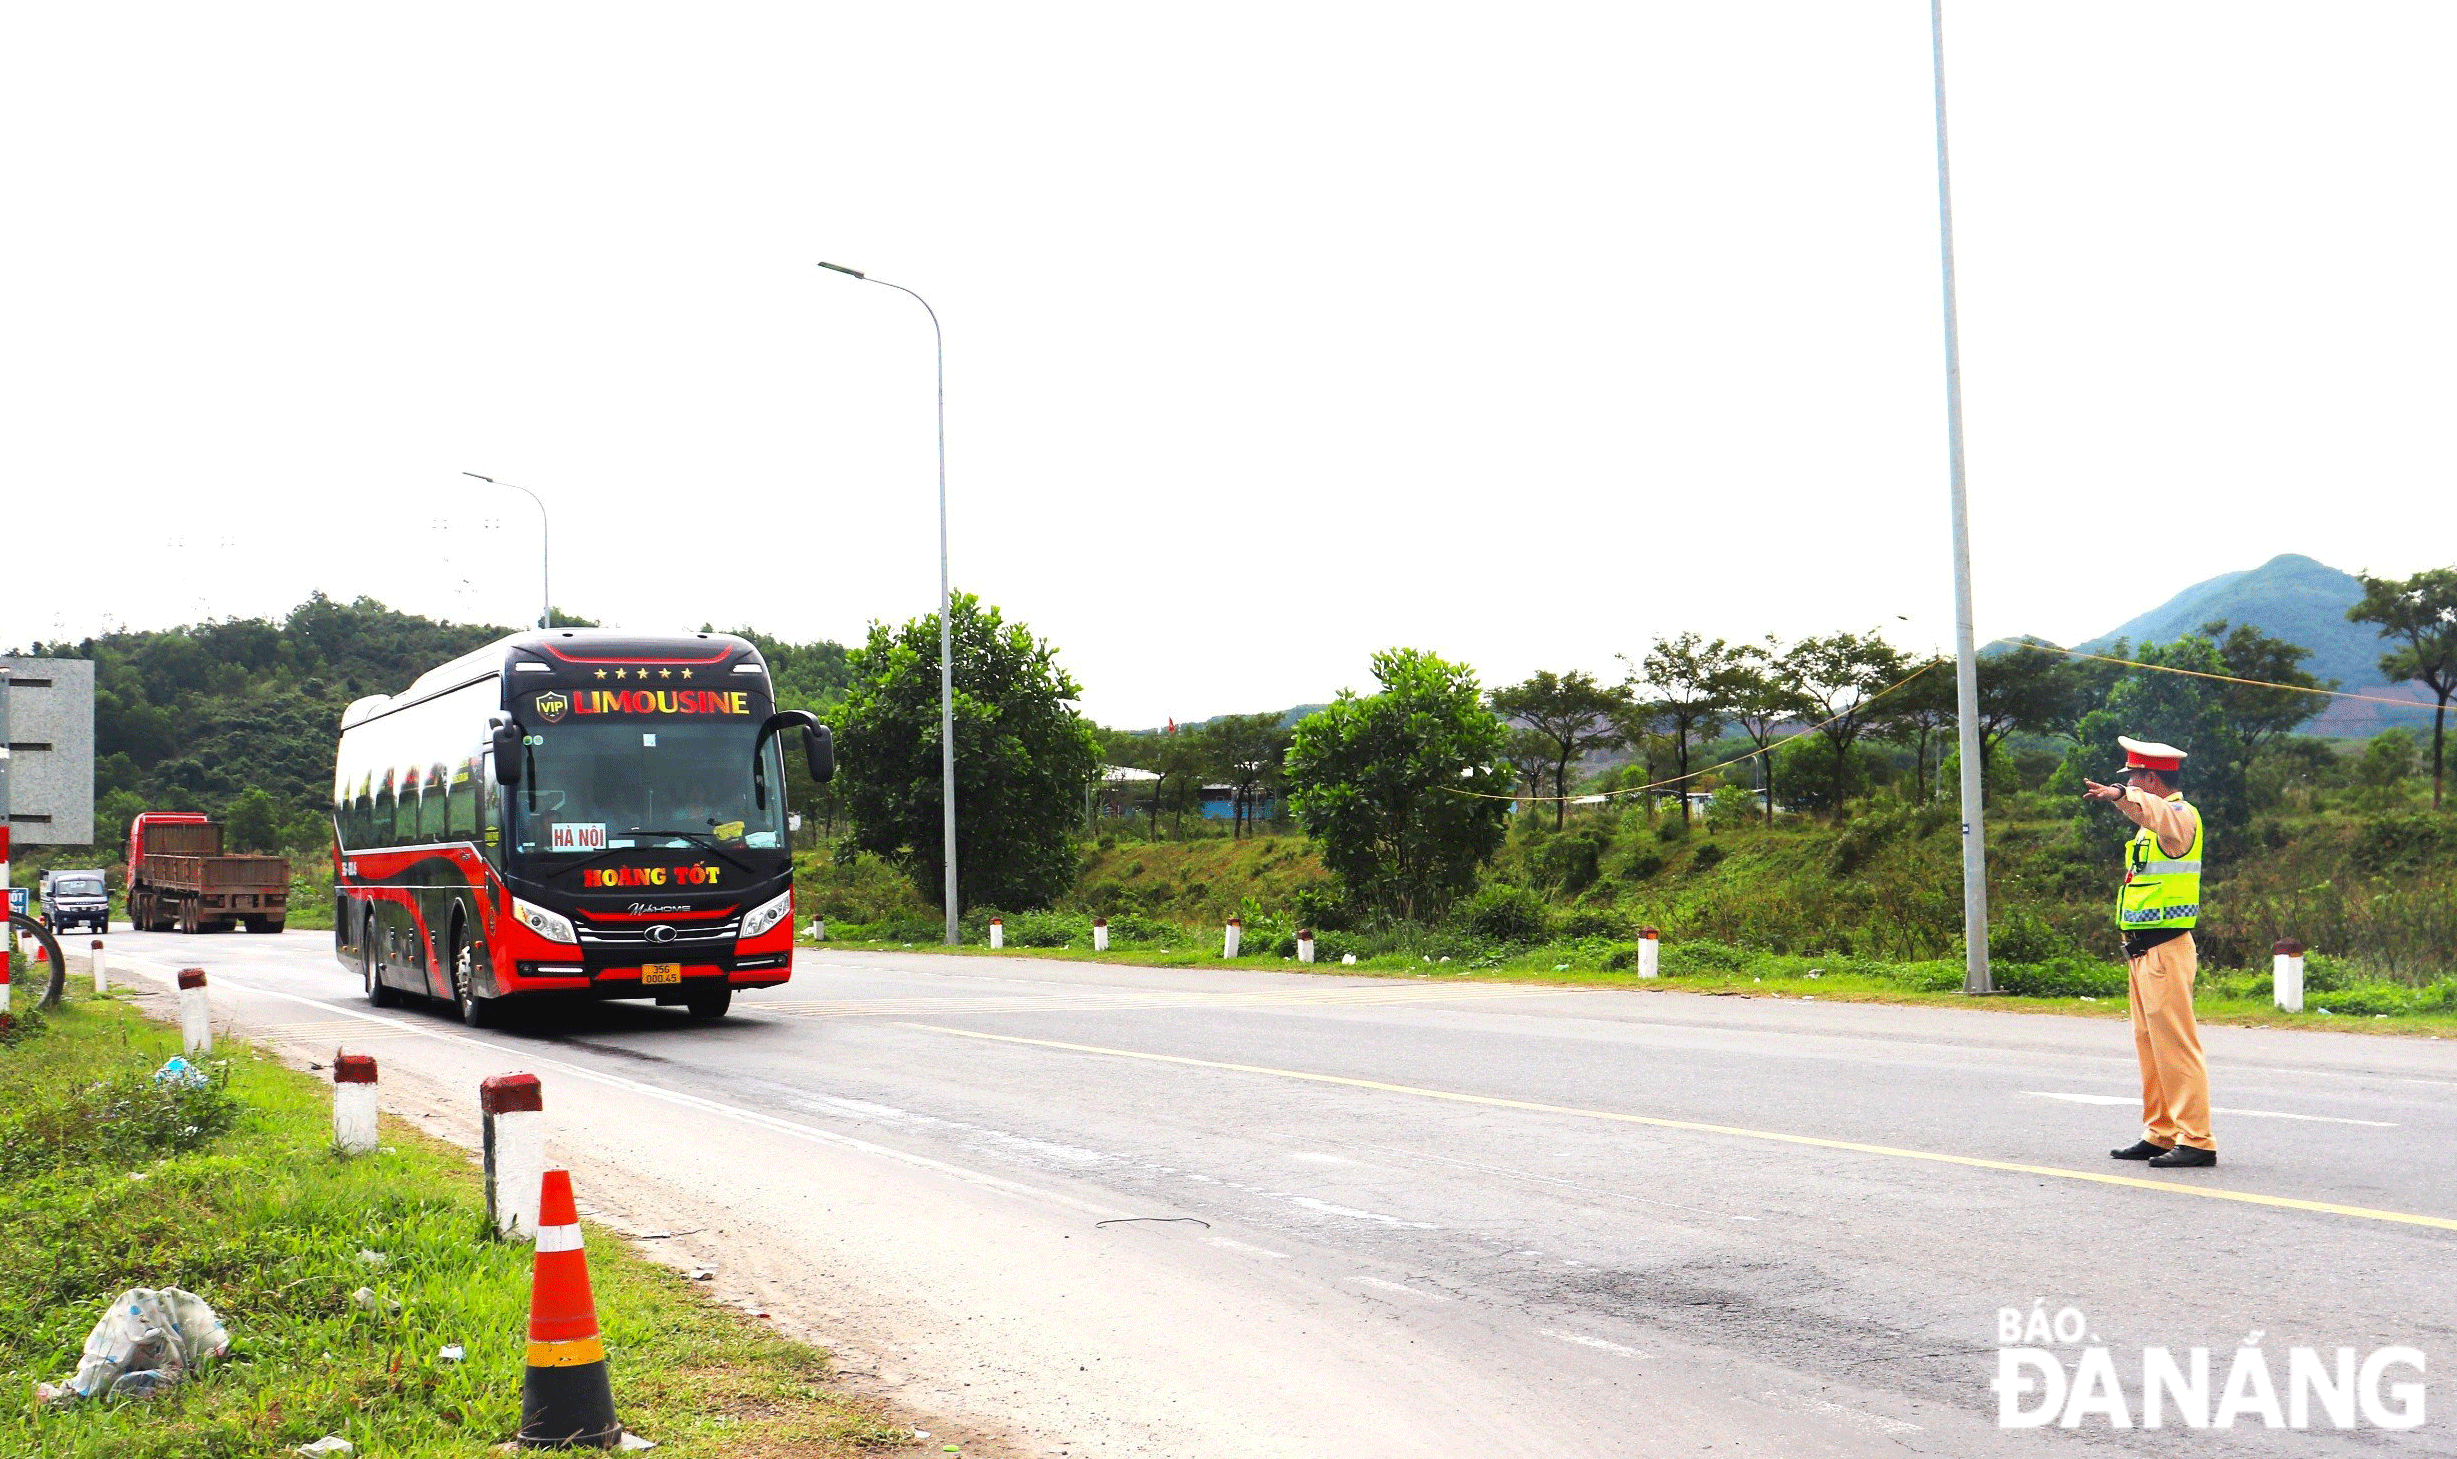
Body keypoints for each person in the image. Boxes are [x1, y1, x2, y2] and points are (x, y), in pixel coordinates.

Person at [2081, 737, 2216, 1169]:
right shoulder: (2152, 824)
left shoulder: (2180, 815)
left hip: (2165, 949)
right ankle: (2160, 1132)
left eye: (2135, 778)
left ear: (2151, 779)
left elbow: (2158, 812)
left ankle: (2197, 1139)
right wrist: (2127, 799)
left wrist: (2121, 794)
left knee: (2176, 1045)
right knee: (2149, 1044)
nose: (2131, 785)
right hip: (2141, 952)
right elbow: (2147, 816)